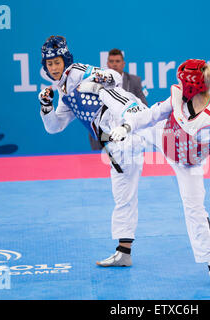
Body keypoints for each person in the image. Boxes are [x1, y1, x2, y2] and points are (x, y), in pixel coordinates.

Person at [108, 59, 210, 289]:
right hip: (163, 137)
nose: (178, 82)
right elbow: (151, 115)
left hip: (189, 164)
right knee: (133, 110)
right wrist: (126, 127)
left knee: (195, 210)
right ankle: (105, 90)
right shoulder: (177, 98)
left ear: (191, 84)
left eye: (182, 79)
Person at [38, 35, 149, 267]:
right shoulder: (64, 94)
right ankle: (124, 253)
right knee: (123, 197)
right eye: (50, 64)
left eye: (57, 62)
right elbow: (54, 127)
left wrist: (98, 79)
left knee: (166, 132)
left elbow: (116, 77)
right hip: (115, 143)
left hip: (128, 119)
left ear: (65, 59)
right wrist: (46, 107)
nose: (54, 67)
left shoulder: (78, 71)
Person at [88, 48, 148, 150]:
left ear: (123, 64)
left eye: (117, 61)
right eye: (111, 61)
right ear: (107, 64)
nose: (114, 64)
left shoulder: (134, 81)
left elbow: (144, 105)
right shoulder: (98, 82)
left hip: (128, 129)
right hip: (106, 130)